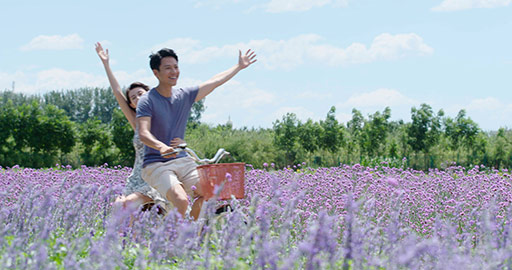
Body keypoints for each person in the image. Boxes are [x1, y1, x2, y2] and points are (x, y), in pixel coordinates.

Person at [137, 47, 257, 220]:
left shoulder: (184, 96)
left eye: (176, 67)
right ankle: (173, 240)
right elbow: (143, 133)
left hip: (182, 160)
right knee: (181, 199)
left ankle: (192, 235)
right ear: (156, 73)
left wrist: (238, 67)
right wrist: (161, 146)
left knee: (210, 191)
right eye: (168, 68)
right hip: (156, 164)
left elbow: (214, 82)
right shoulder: (147, 100)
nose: (174, 72)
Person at [95, 42, 184, 214]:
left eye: (140, 94)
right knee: (125, 214)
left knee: (124, 205)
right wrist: (106, 64)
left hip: (156, 177)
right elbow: (117, 92)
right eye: (133, 97)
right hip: (137, 178)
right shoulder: (137, 122)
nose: (136, 98)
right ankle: (129, 241)